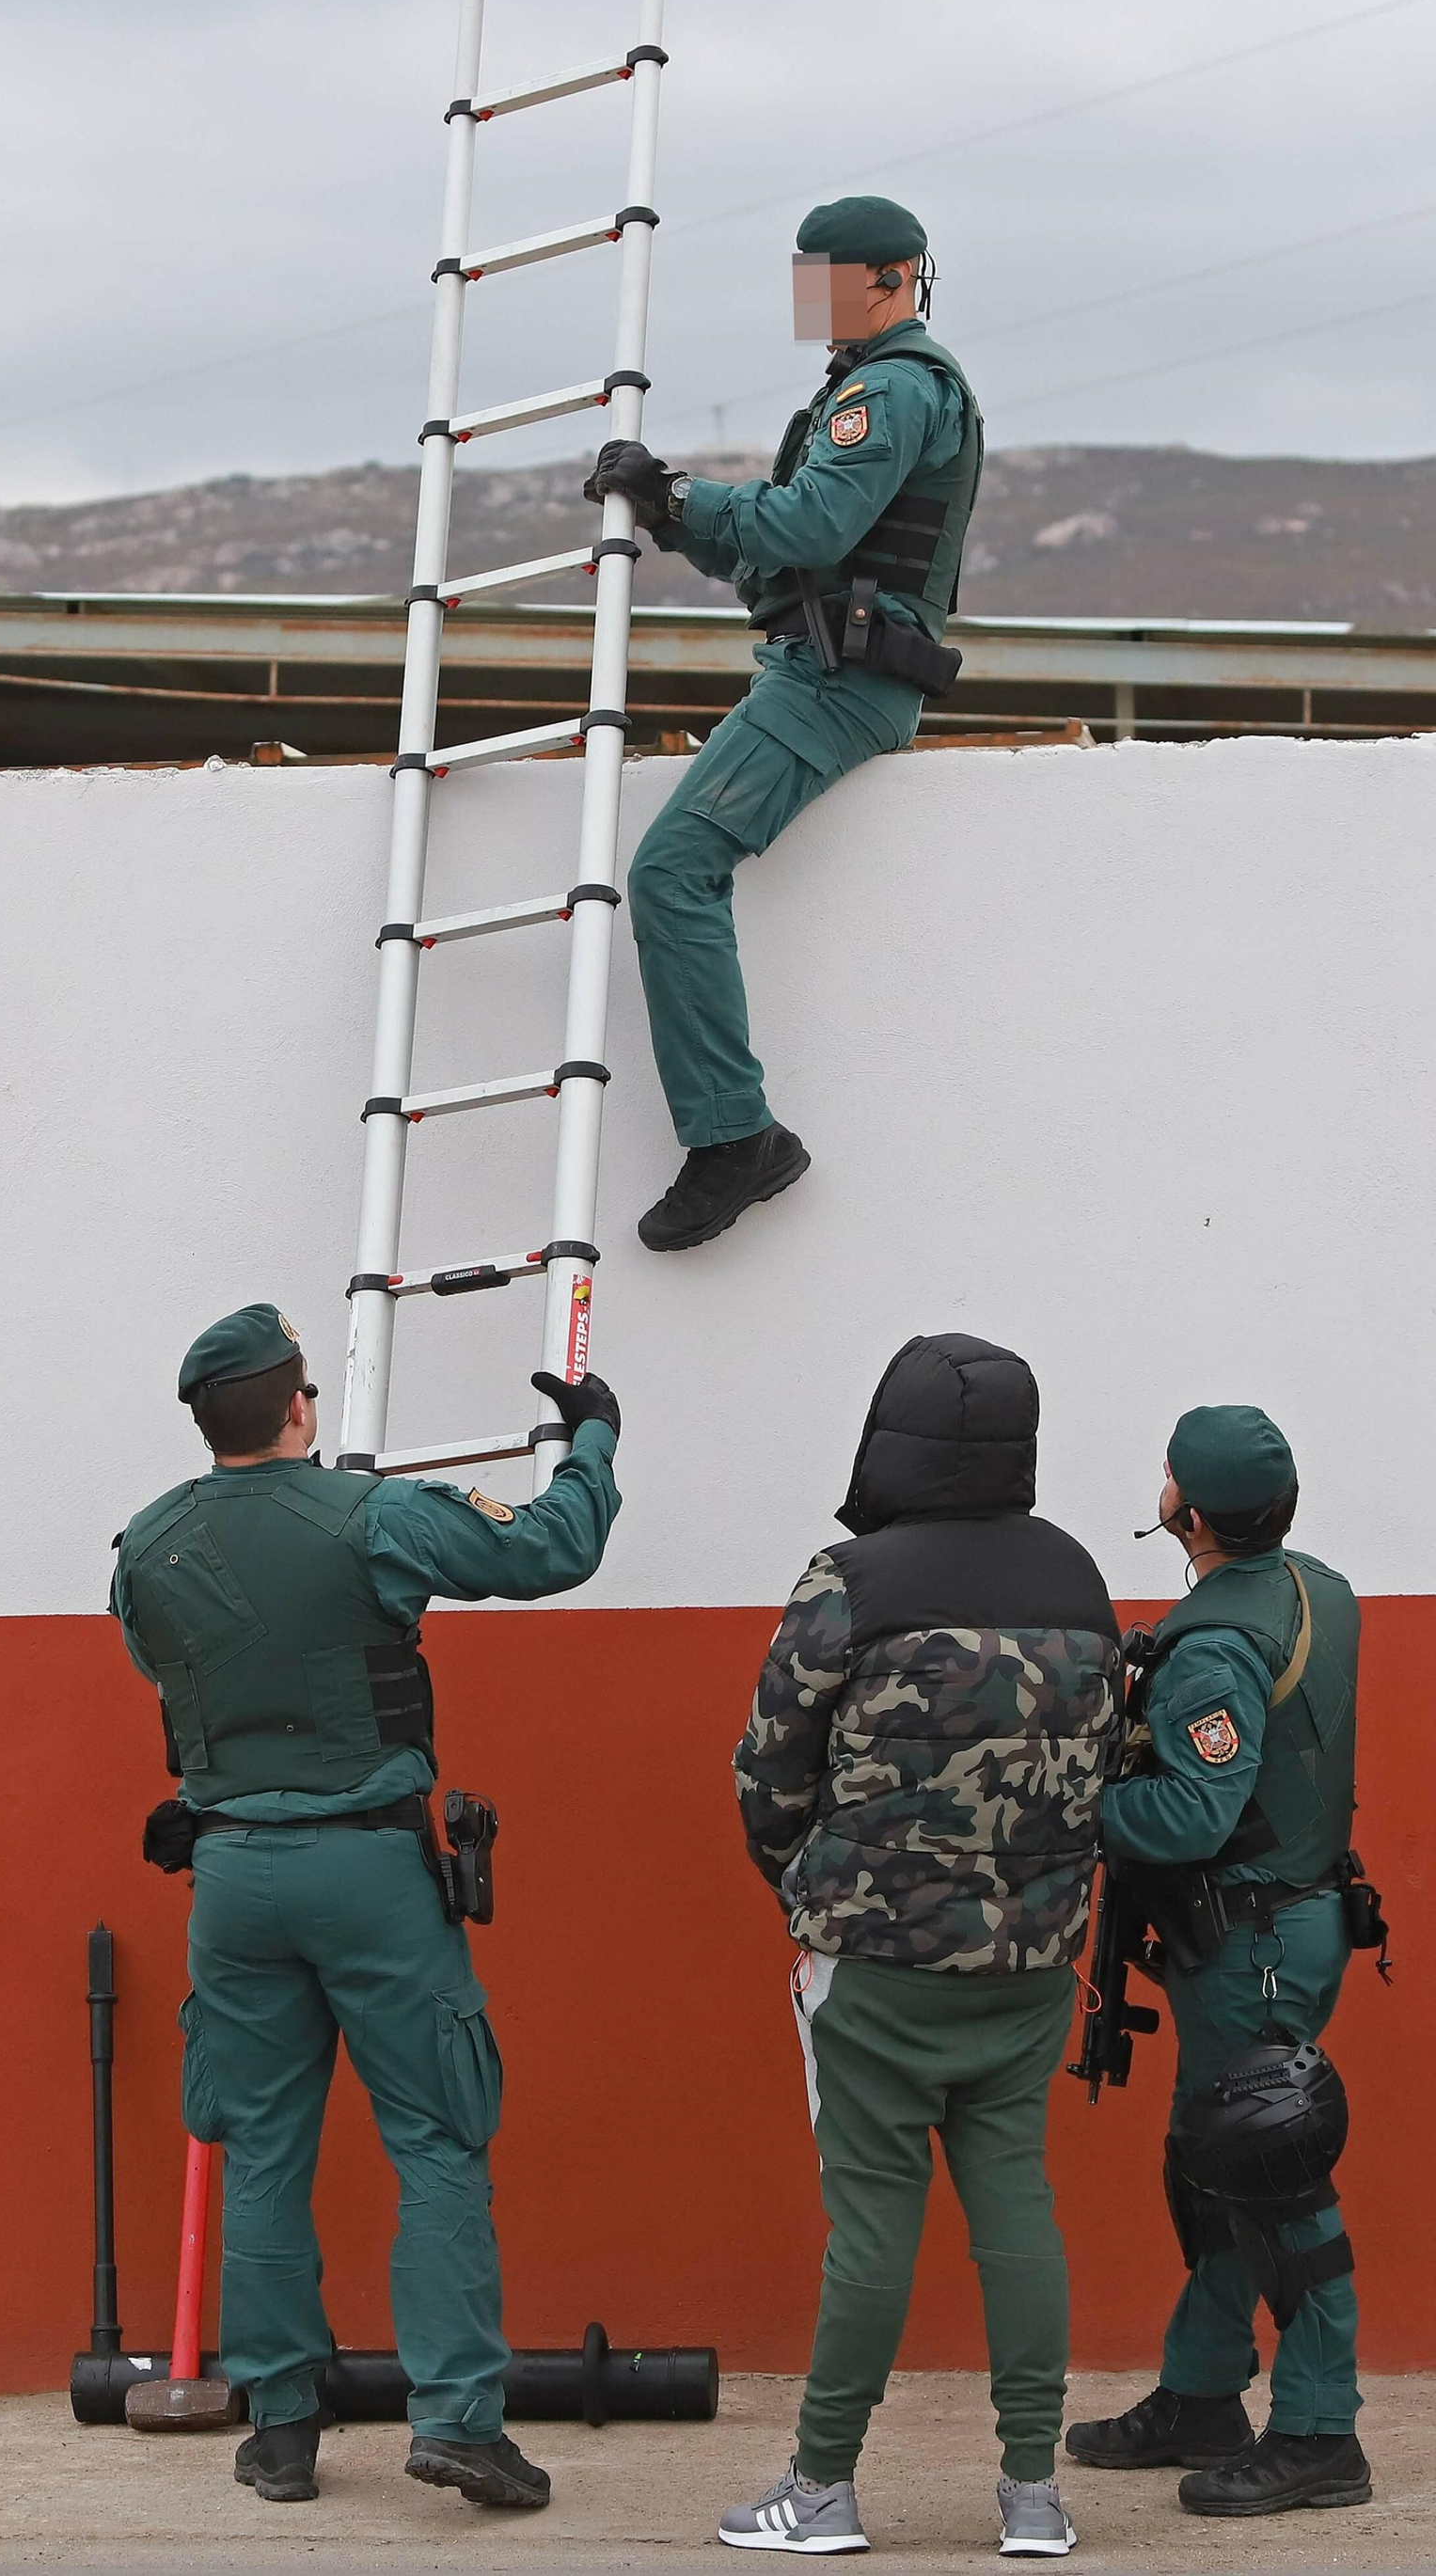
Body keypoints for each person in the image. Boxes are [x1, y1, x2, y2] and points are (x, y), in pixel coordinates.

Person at [110, 1303, 621, 2509]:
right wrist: (590, 1442)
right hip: (369, 1870)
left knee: (262, 2154)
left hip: (231, 1879)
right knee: (437, 2138)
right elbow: (550, 1552)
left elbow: (163, 1669)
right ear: (299, 1404)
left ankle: (281, 2425)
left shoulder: (147, 1543)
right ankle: (456, 2420)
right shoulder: (372, 1515)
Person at [721, 1335, 1118, 2558]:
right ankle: (1035, 2493)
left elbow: (769, 1770)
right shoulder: (1083, 1580)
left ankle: (824, 2487)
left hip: (875, 1964)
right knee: (1017, 2207)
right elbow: (1109, 1756)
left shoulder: (851, 1578)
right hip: (1036, 1960)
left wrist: (811, 1882)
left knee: (875, 2221)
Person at [582, 194, 984, 1253]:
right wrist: (667, 506)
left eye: (826, 275)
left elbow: (810, 521)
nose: (808, 297)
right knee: (674, 868)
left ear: (891, 277)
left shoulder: (892, 389)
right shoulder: (862, 388)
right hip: (813, 670)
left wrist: (679, 492)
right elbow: (778, 552)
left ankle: (735, 1141)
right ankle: (734, 1134)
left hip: (835, 683)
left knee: (671, 871)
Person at [1067, 1404, 1371, 2516]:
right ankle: (1201, 2391)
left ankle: (1319, 2429)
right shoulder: (1320, 1591)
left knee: (1273, 2172)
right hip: (1294, 1920)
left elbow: (1194, 1814)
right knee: (1217, 2169)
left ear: (1186, 1513)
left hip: (1251, 1942)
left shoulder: (1212, 1646)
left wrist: (1084, 1805)